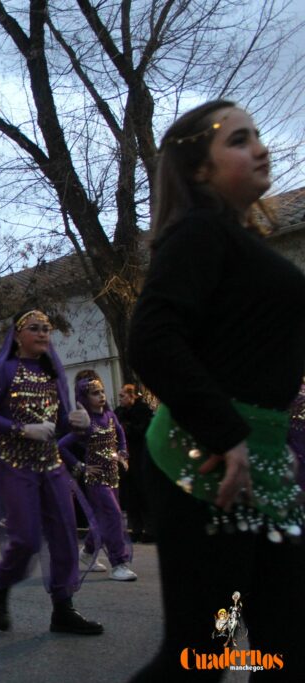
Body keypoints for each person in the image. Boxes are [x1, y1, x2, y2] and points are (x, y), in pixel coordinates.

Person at [127, 100, 305, 680]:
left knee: (284, 643)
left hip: (262, 456)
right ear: (200, 169)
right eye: (239, 140)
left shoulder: (237, 239)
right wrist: (225, 433)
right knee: (203, 652)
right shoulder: (200, 232)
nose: (261, 147)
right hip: (202, 458)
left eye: (259, 134)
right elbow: (152, 340)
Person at [0, 309, 103, 635]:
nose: (43, 333)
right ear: (17, 336)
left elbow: (58, 427)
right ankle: (0, 586)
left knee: (65, 537)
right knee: (27, 539)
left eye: (46, 328)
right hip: (15, 465)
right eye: (34, 328)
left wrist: (80, 424)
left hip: (52, 465)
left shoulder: (52, 374)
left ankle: (63, 608)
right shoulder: (3, 370)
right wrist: (20, 429)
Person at [58, 377, 137, 581]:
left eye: (102, 391)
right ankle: (119, 563)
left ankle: (87, 553)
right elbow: (62, 446)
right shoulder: (85, 423)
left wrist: (122, 453)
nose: (101, 395)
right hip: (96, 479)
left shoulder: (111, 416)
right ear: (84, 398)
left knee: (103, 520)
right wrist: (80, 467)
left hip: (113, 476)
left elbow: (120, 436)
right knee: (113, 515)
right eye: (95, 393)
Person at [114, 384, 155, 542]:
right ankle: (135, 529)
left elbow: (143, 430)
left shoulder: (142, 410)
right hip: (126, 459)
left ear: (132, 396)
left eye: (123, 396)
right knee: (131, 496)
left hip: (140, 456)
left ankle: (150, 530)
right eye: (120, 396)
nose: (121, 399)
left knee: (144, 493)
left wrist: (127, 428)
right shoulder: (119, 412)